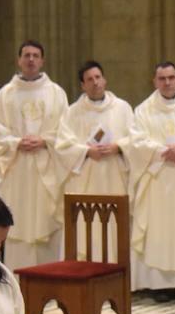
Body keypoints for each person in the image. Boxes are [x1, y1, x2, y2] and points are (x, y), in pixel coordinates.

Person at [126, 61, 175, 299]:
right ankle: (159, 285)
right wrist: (167, 153)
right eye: (162, 79)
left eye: (171, 78)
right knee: (158, 232)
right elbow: (136, 143)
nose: (167, 82)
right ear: (155, 81)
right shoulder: (143, 110)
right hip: (156, 181)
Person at [0, 41, 69, 268]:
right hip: (18, 171)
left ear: (42, 60)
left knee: (48, 220)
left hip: (47, 170)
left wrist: (45, 140)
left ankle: (51, 277)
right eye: (26, 55)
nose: (31, 59)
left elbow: (66, 132)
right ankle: (16, 279)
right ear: (19, 60)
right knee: (18, 223)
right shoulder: (4, 95)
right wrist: (16, 143)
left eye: (35, 55)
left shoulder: (56, 94)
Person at [53, 61, 133, 260]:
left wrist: (117, 147)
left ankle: (117, 270)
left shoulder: (122, 108)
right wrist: (86, 151)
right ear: (82, 85)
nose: (95, 82)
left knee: (114, 226)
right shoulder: (72, 112)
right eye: (89, 79)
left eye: (98, 77)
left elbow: (136, 139)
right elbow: (62, 146)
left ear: (104, 80)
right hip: (85, 183)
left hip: (114, 179)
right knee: (86, 227)